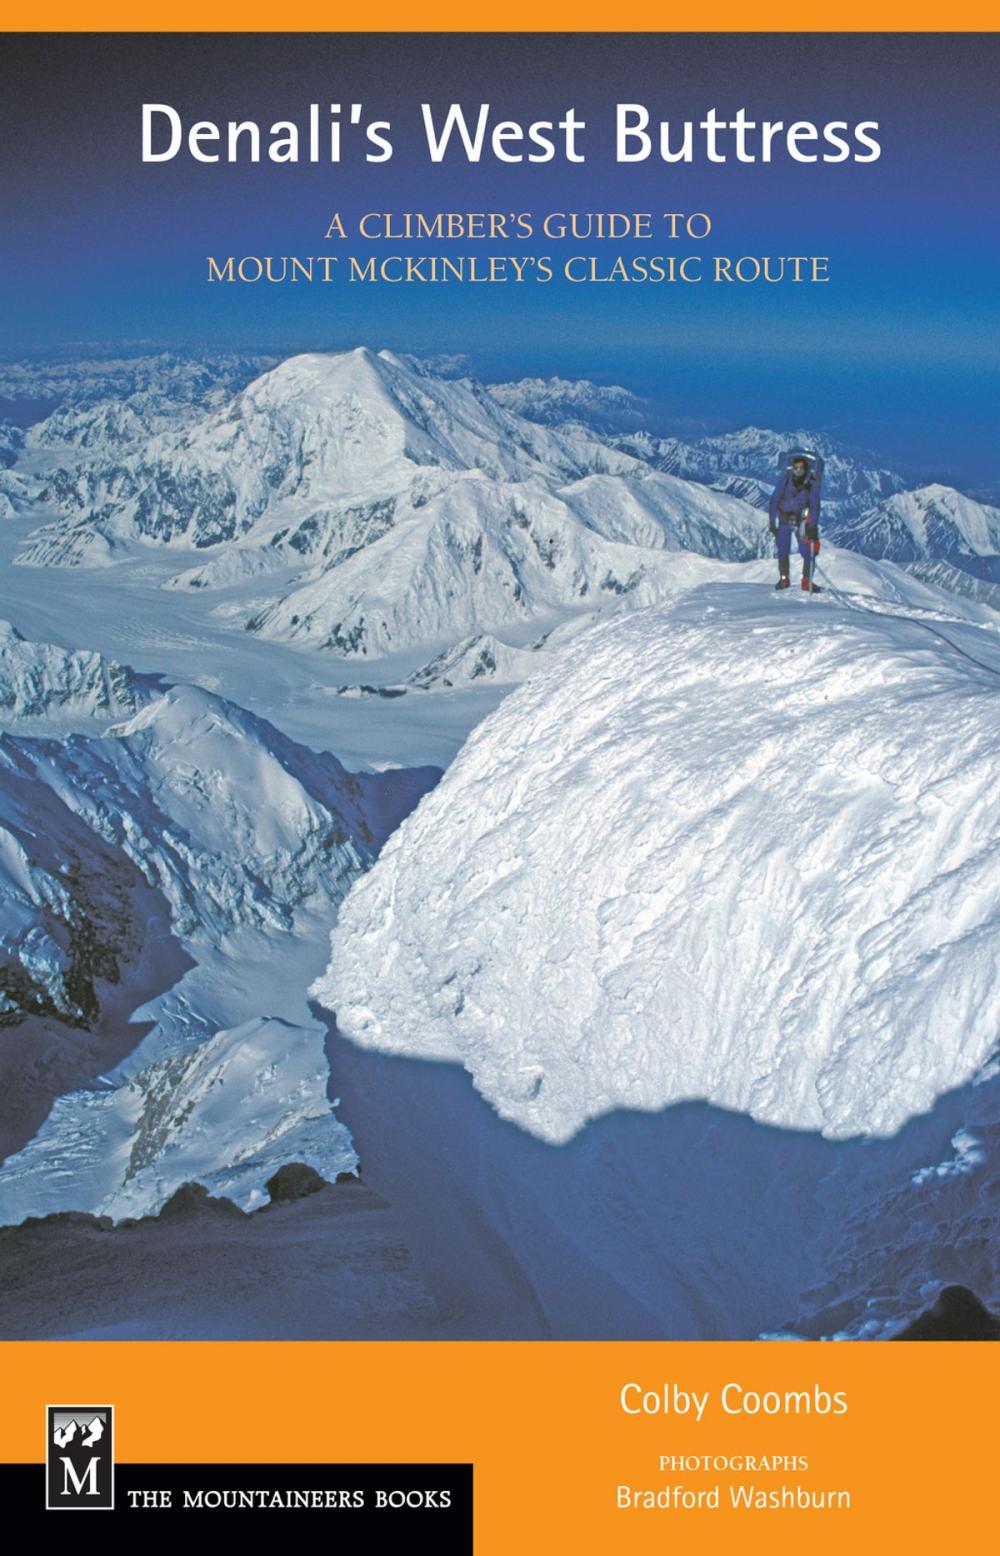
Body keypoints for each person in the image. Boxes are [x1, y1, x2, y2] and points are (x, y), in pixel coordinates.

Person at [769, 455, 821, 592]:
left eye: (801, 468)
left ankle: (806, 581)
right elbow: (774, 500)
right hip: (784, 520)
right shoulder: (785, 480)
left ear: (806, 469)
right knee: (783, 549)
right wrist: (772, 522)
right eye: (796, 467)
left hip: (801, 522)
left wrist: (812, 527)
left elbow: (815, 506)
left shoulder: (811, 484)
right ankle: (784, 578)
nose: (798, 470)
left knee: (807, 551)